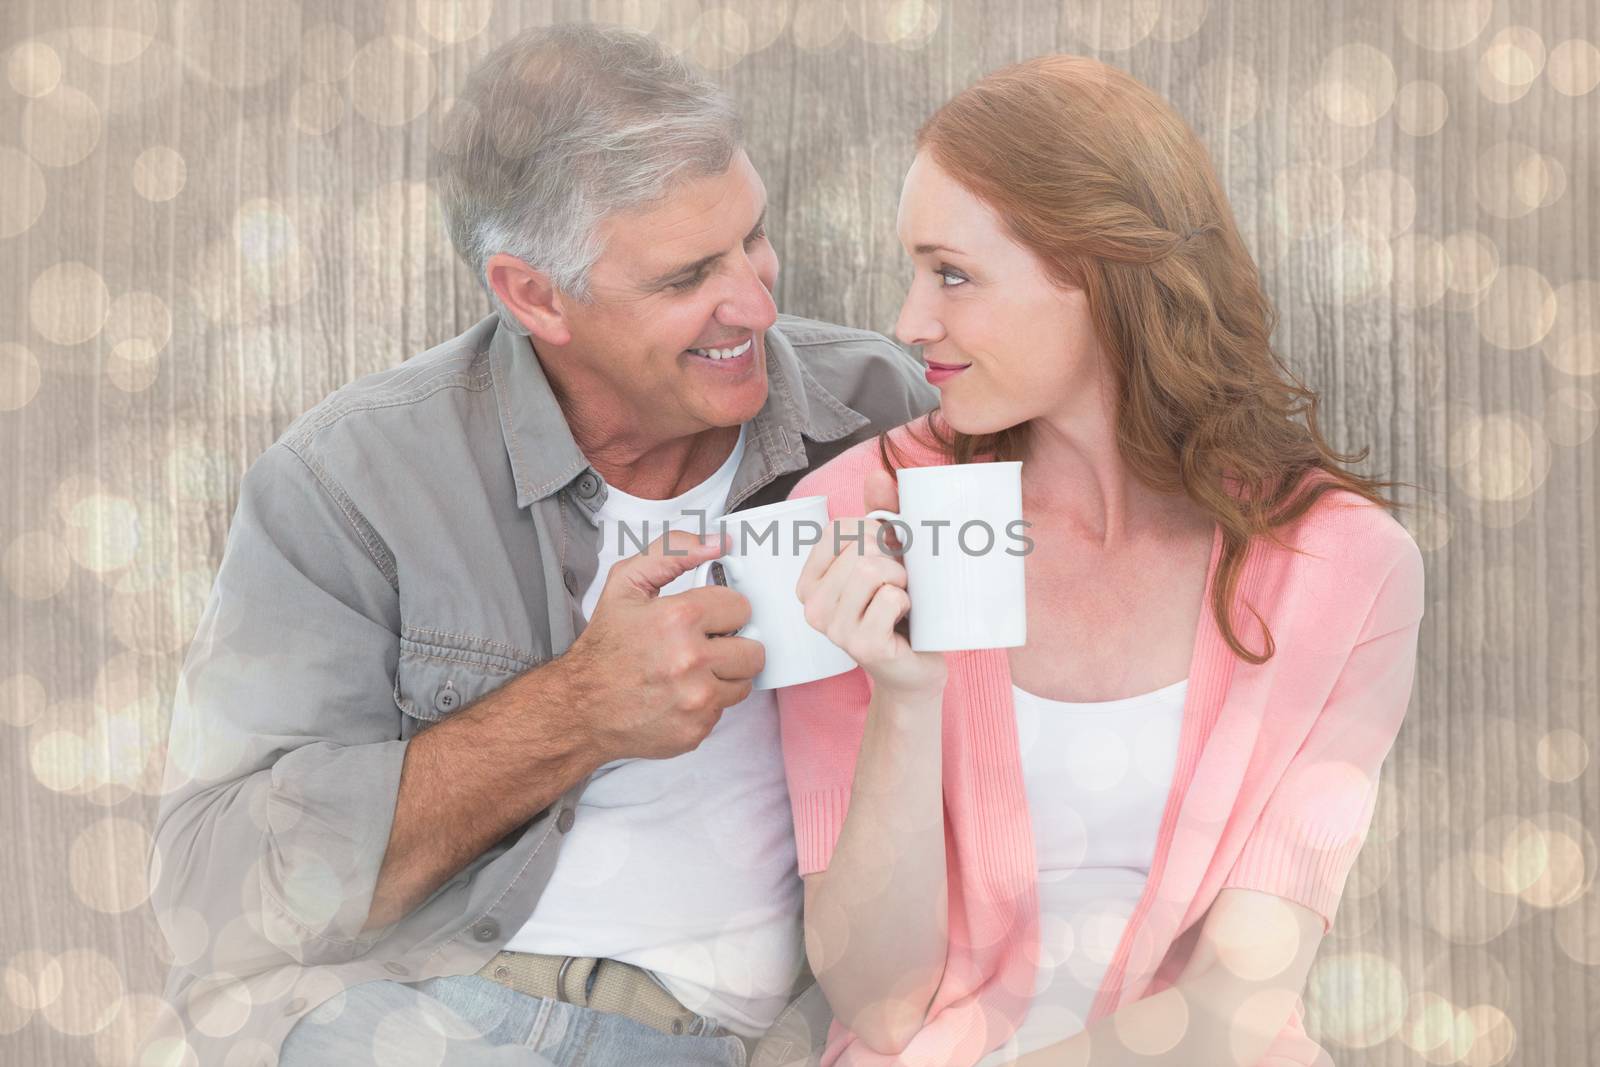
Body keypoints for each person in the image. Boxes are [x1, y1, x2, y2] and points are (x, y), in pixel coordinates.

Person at [142, 23, 933, 1067]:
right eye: (687, 273)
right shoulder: (354, 479)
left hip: (734, 1039)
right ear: (533, 294)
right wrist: (575, 713)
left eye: (752, 236)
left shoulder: (880, 414)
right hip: (420, 1015)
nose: (757, 300)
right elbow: (211, 891)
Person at [777, 55, 1425, 1067]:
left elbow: (1238, 998)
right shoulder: (861, 515)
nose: (909, 323)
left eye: (952, 273)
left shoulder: (1339, 567)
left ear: (1098, 275)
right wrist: (905, 695)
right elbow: (880, 1001)